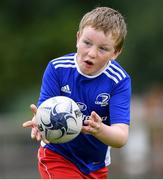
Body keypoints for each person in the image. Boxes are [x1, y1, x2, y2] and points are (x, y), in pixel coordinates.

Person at [22, 6, 131, 179]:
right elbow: (44, 109)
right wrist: (39, 120)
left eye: (103, 48)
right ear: (78, 38)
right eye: (87, 43)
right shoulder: (57, 68)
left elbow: (121, 137)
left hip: (96, 165)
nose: (92, 53)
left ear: (116, 53)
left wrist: (99, 129)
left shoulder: (119, 81)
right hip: (57, 156)